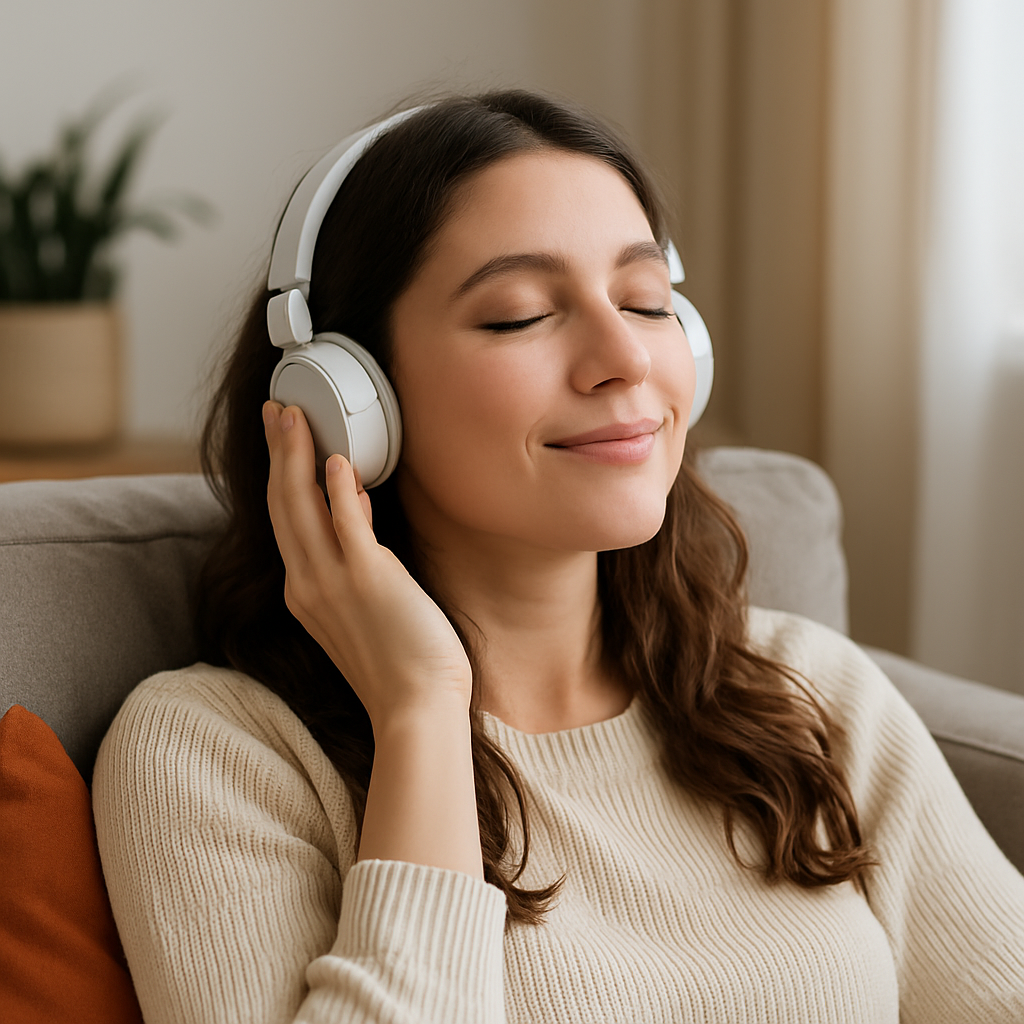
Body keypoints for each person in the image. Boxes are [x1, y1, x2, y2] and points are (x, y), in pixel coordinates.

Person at [92, 90, 1024, 1024]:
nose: (624, 357)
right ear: (349, 397)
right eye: (520, 316)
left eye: (647, 301)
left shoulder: (809, 691)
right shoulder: (214, 755)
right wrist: (420, 710)